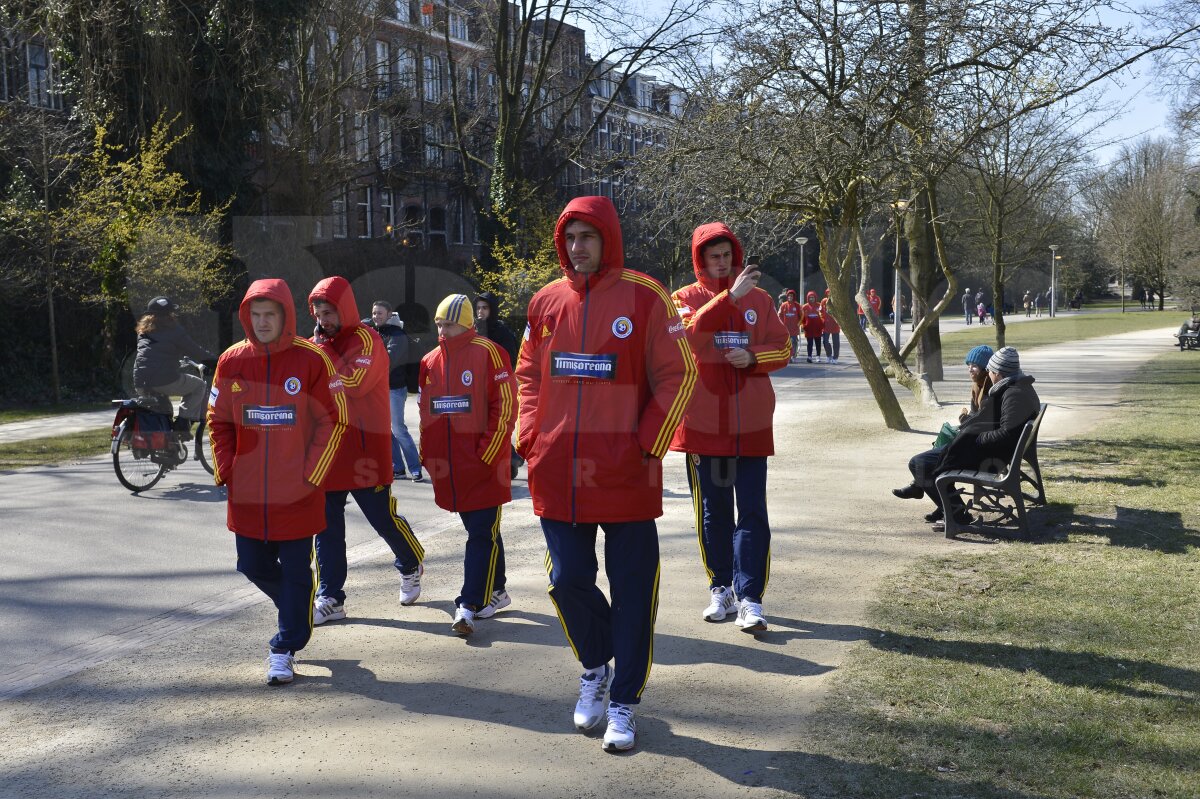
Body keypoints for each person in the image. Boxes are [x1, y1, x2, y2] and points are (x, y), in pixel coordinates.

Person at [515, 195, 696, 753]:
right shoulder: (545, 303)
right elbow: (526, 375)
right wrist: (529, 437)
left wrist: (648, 445)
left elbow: (678, 374)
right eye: (569, 238)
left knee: (634, 594)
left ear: (608, 239)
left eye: (588, 237)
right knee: (566, 580)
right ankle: (595, 665)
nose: (577, 248)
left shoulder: (645, 297)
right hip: (557, 475)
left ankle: (624, 701)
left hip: (627, 476)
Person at [207, 278, 348, 686]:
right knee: (250, 564)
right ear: (246, 317)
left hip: (299, 493)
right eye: (256, 314)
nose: (263, 321)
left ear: (285, 316)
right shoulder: (231, 361)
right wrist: (227, 469)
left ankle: (283, 648)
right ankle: (299, 610)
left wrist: (311, 474)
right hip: (247, 493)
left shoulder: (312, 359)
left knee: (297, 571)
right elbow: (219, 421)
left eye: (270, 314)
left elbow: (333, 420)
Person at [670, 221, 790, 635]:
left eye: (726, 256)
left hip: (751, 424)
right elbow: (684, 339)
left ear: (735, 256)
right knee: (713, 513)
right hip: (703, 424)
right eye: (712, 257)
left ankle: (751, 597)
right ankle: (720, 587)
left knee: (752, 512)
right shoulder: (683, 299)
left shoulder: (761, 299)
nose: (721, 263)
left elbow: (784, 347)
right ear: (700, 260)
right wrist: (729, 297)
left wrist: (754, 356)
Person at [307, 276, 426, 626]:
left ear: (343, 310)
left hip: (364, 451)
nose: (323, 320)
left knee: (382, 518)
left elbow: (353, 385)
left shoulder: (367, 339)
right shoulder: (316, 342)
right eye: (318, 313)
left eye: (328, 312)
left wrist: (318, 364)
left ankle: (410, 562)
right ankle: (331, 596)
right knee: (326, 527)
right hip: (327, 452)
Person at [419, 294, 517, 636]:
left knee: (479, 534)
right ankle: (498, 590)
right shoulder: (430, 361)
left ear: (467, 324)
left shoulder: (490, 352)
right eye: (439, 324)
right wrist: (427, 454)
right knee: (485, 532)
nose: (443, 331)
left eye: (449, 324)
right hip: (452, 468)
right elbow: (426, 413)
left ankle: (468, 605)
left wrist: (486, 455)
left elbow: (504, 407)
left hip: (484, 465)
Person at [913, 346, 1040, 532]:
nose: (988, 374)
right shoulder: (1015, 388)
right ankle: (952, 511)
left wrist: (974, 438)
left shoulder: (1014, 395)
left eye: (991, 371)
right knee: (923, 462)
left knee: (920, 464)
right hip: (991, 453)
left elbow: (1006, 434)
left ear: (999, 373)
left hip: (991, 460)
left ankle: (957, 516)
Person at [892, 344, 993, 516]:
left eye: (974, 366)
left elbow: (984, 421)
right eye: (968, 365)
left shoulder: (988, 387)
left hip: (979, 450)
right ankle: (941, 503)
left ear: (985, 368)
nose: (970, 369)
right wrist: (966, 419)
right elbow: (978, 417)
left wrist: (966, 420)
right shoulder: (978, 384)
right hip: (974, 442)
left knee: (925, 463)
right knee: (941, 443)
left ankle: (949, 507)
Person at [132, 296, 217, 433]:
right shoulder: (175, 331)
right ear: (171, 314)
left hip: (140, 381)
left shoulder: (143, 332)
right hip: (164, 380)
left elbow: (152, 354)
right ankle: (182, 425)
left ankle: (165, 441)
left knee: (164, 408)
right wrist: (218, 363)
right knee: (199, 386)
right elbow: (196, 351)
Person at [368, 300, 423, 482]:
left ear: (389, 314)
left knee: (399, 429)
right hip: (378, 389)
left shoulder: (397, 335)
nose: (376, 316)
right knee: (387, 431)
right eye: (374, 313)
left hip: (395, 389)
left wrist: (369, 361)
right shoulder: (373, 332)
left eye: (380, 313)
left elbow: (388, 361)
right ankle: (398, 468)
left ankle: (415, 469)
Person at [475, 291, 524, 479]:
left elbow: (510, 360)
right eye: (478, 308)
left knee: (497, 424)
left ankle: (509, 458)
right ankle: (510, 457)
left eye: (485, 308)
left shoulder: (501, 331)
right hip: (477, 385)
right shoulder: (474, 329)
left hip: (500, 384)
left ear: (492, 309)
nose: (480, 312)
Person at [777, 289, 801, 362]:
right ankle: (788, 356)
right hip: (785, 329)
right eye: (789, 296)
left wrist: (798, 324)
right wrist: (781, 324)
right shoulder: (783, 305)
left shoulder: (797, 305)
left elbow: (802, 315)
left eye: (791, 296)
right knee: (786, 343)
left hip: (794, 329)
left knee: (794, 342)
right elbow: (779, 315)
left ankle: (793, 356)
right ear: (787, 296)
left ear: (794, 297)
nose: (790, 297)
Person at [800, 290, 824, 363]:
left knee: (818, 343)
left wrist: (822, 326)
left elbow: (823, 316)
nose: (811, 299)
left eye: (813, 297)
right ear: (808, 298)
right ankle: (809, 356)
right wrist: (803, 326)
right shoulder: (804, 307)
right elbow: (802, 318)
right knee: (809, 343)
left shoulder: (819, 306)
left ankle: (818, 356)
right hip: (809, 329)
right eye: (810, 297)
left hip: (818, 329)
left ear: (815, 298)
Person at [820, 289, 841, 364]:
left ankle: (835, 358)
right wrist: (823, 320)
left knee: (836, 343)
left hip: (835, 325)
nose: (829, 294)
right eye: (828, 293)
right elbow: (820, 312)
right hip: (826, 325)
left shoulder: (837, 301)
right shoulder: (823, 301)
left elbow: (841, 312)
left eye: (831, 293)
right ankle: (829, 355)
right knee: (825, 341)